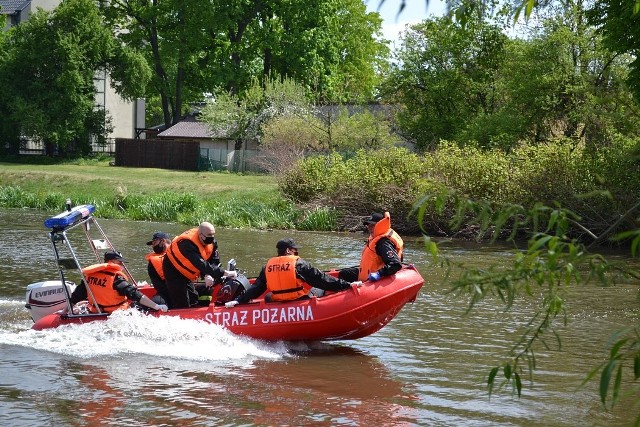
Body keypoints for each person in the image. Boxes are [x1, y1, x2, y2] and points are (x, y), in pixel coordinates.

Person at [225, 238, 361, 308]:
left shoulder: (267, 266)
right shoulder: (299, 264)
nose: (296, 252)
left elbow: (257, 288)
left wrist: (238, 300)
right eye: (294, 249)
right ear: (288, 251)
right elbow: (322, 280)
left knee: (267, 298)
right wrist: (347, 285)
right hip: (298, 300)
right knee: (319, 287)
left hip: (279, 300)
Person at [64, 251, 168, 314]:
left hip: (96, 311)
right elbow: (134, 294)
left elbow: (76, 296)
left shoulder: (90, 276)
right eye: (120, 262)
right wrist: (156, 307)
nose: (122, 265)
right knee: (151, 304)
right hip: (117, 313)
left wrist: (65, 311)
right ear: (112, 262)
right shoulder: (115, 278)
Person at [163, 221, 236, 308]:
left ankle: (195, 309)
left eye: (213, 235)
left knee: (193, 297)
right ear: (200, 234)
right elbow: (201, 264)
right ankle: (181, 314)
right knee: (182, 302)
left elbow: (214, 261)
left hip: (188, 271)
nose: (211, 238)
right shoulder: (187, 243)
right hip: (173, 270)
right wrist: (226, 273)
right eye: (209, 235)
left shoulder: (211, 241)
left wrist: (208, 275)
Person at [339, 211, 404, 283]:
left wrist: (379, 274)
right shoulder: (375, 238)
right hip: (367, 273)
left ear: (380, 225)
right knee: (344, 274)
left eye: (372, 225)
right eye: (368, 225)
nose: (369, 228)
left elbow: (395, 264)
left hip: (375, 278)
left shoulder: (383, 242)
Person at [145, 231, 172, 306]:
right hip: (165, 293)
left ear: (163, 241)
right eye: (152, 244)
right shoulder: (152, 263)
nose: (153, 246)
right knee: (155, 303)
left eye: (154, 243)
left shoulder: (177, 253)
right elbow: (158, 285)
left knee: (206, 288)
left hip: (184, 289)